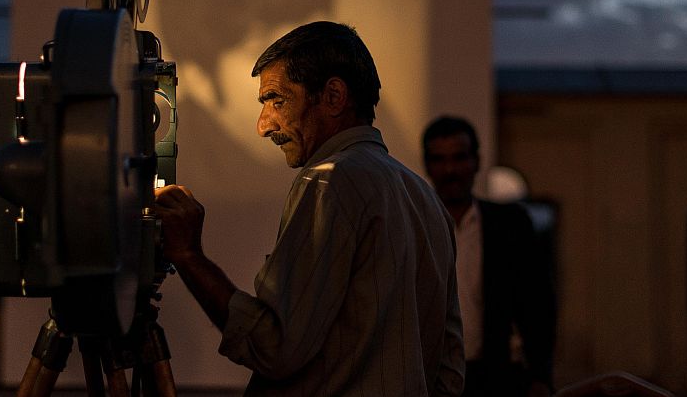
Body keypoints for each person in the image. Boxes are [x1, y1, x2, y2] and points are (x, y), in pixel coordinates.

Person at [153, 21, 465, 396]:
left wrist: (188, 255)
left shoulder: (328, 181)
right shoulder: (425, 197)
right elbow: (449, 370)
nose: (263, 126)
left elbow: (274, 347)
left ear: (333, 96)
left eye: (277, 100)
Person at [422, 116, 557, 397]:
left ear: (476, 161)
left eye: (459, 158)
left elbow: (537, 303)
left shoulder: (510, 225)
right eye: (440, 159)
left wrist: (540, 375)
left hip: (495, 376)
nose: (450, 170)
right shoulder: (416, 225)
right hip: (430, 376)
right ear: (428, 165)